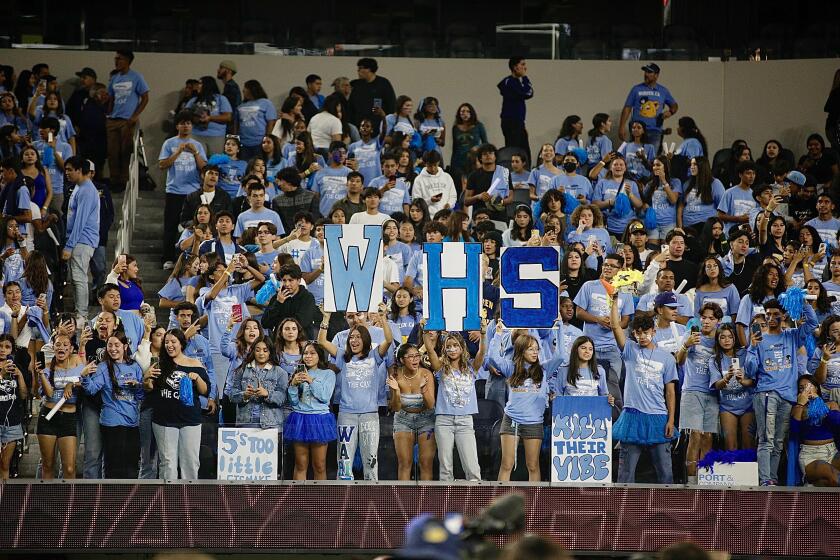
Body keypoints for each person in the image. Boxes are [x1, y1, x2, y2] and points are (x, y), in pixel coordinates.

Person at [745, 298, 819, 486]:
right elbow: (750, 371)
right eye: (768, 314)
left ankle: (773, 479)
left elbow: (812, 322)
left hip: (787, 397)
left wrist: (801, 302)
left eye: (775, 314)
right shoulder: (759, 340)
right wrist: (752, 347)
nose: (770, 318)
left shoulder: (792, 335)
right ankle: (764, 480)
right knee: (766, 439)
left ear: (783, 316)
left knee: (778, 442)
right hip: (766, 394)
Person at [318, 302, 393, 481]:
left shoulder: (375, 355)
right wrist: (326, 318)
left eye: (358, 337)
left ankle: (373, 498)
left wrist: (382, 318)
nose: (354, 340)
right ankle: (343, 502)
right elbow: (321, 341)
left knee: (371, 461)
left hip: (370, 415)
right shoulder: (343, 355)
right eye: (351, 337)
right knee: (344, 462)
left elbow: (389, 341)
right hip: (346, 415)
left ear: (365, 339)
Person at [608, 294, 678, 484]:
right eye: (638, 333)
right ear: (634, 334)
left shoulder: (667, 358)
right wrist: (614, 303)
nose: (642, 336)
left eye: (646, 332)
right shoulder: (630, 349)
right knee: (626, 473)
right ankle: (621, 510)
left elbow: (670, 392)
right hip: (632, 415)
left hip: (658, 416)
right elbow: (615, 326)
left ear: (653, 332)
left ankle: (669, 511)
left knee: (665, 473)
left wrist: (671, 419)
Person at [144, 329, 210, 480]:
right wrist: (146, 378)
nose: (169, 345)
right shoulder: (159, 364)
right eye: (166, 342)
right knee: (168, 463)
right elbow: (149, 389)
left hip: (190, 420)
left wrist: (198, 379)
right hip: (164, 420)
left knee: (191, 462)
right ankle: (169, 500)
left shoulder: (195, 363)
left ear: (181, 344)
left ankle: (190, 499)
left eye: (173, 342)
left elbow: (205, 390)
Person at [422, 326, 486, 482]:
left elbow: (482, 352)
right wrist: (424, 332)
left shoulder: (471, 368)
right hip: (444, 421)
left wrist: (483, 335)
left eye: (455, 345)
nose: (452, 349)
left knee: (472, 466)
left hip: (465, 421)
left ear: (462, 347)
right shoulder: (441, 368)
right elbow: (430, 350)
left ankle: (475, 501)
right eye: (448, 346)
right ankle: (446, 501)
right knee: (445, 467)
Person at [80, 332, 145, 478]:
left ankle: (129, 499)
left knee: (131, 465)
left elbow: (141, 396)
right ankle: (110, 499)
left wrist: (138, 386)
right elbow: (91, 390)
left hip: (132, 423)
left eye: (117, 345)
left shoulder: (134, 366)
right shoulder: (103, 367)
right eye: (110, 345)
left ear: (125, 346)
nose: (113, 348)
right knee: (113, 467)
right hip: (111, 423)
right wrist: (84, 375)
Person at [488, 327, 548, 482]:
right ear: (521, 351)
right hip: (511, 420)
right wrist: (498, 333)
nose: (535, 353)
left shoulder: (543, 369)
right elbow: (492, 357)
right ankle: (501, 504)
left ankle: (535, 504)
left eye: (536, 349)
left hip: (534, 423)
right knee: (507, 464)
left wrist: (560, 327)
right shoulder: (511, 367)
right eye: (531, 349)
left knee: (533, 465)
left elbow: (561, 355)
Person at [573, 253, 633, 409]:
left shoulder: (625, 292)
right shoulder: (589, 286)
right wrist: (599, 320)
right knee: (586, 386)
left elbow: (626, 320)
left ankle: (612, 422)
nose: (607, 268)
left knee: (612, 388)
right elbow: (578, 312)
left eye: (612, 266)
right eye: (606, 264)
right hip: (589, 348)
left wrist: (614, 324)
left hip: (613, 349)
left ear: (620, 270)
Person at [675, 302, 722, 483]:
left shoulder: (719, 339)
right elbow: (679, 361)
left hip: (712, 393)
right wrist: (686, 345)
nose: (706, 321)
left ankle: (705, 480)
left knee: (708, 436)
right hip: (692, 391)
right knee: (695, 435)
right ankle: (692, 481)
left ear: (718, 321)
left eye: (711, 318)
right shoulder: (691, 335)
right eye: (703, 317)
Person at [37, 333, 95, 479]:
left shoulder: (76, 362)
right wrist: (41, 374)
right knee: (48, 465)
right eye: (58, 344)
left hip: (69, 417)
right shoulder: (48, 367)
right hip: (48, 416)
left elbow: (85, 379)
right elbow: (49, 393)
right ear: (53, 348)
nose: (61, 347)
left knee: (69, 468)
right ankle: (47, 500)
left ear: (70, 349)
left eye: (65, 345)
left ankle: (68, 501)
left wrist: (72, 383)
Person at [159, 111, 207, 269]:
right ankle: (168, 258)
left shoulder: (197, 145)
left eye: (188, 123)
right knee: (170, 226)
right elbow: (162, 165)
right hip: (174, 190)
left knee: (194, 226)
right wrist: (178, 152)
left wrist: (195, 153)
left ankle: (191, 259)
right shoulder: (169, 143)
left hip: (193, 192)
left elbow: (204, 168)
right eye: (182, 123)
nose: (186, 126)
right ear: (177, 125)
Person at [285, 341, 336, 480]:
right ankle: (298, 499)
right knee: (300, 464)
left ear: (319, 356)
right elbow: (293, 402)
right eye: (306, 353)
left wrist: (310, 380)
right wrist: (293, 386)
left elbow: (325, 397)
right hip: (300, 418)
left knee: (319, 464)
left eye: (312, 353)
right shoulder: (297, 373)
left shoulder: (328, 374)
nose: (308, 356)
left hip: (320, 419)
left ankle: (321, 499)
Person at [387, 342, 436, 481]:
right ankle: (404, 500)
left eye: (417, 356)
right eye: (411, 357)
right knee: (405, 463)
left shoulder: (426, 373)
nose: (415, 360)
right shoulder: (395, 375)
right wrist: (396, 391)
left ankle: (426, 500)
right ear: (402, 360)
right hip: (403, 418)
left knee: (426, 463)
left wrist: (424, 389)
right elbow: (395, 407)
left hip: (426, 418)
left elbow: (431, 404)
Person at [62, 157, 100, 326]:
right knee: (76, 277)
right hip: (78, 239)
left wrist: (69, 245)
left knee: (79, 277)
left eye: (70, 169)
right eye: (66, 169)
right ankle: (80, 313)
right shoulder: (79, 187)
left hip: (82, 239)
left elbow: (80, 220)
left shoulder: (86, 190)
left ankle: (82, 315)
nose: (67, 173)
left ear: (79, 170)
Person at [107, 50, 150, 193]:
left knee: (125, 152)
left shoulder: (136, 77)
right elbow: (111, 97)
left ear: (127, 61)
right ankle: (114, 180)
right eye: (115, 58)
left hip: (127, 121)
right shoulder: (114, 78)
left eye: (119, 59)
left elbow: (145, 97)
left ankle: (123, 181)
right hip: (113, 119)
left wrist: (135, 116)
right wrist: (108, 114)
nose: (116, 61)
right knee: (112, 152)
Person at [709, 323, 754, 451]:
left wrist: (742, 381)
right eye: (723, 337)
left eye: (730, 337)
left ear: (735, 338)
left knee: (748, 444)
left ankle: (749, 470)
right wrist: (727, 378)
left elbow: (754, 380)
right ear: (718, 340)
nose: (727, 340)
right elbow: (716, 385)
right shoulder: (714, 359)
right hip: (727, 406)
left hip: (747, 404)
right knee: (730, 445)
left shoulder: (745, 353)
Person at [791, 375, 840, 486]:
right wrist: (800, 404)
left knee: (828, 483)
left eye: (808, 386)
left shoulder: (830, 404)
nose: (805, 390)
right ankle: (814, 480)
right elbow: (794, 431)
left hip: (832, 452)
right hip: (811, 455)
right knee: (835, 479)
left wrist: (819, 403)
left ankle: (813, 483)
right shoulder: (798, 408)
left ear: (816, 388)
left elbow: (837, 422)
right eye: (801, 388)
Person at [228, 339, 287, 429]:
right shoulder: (242, 370)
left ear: (270, 352)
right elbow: (232, 395)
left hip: (271, 425)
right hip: (246, 423)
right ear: (253, 351)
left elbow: (283, 397)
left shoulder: (280, 372)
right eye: (257, 350)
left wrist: (267, 394)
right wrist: (244, 395)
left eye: (265, 350)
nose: (261, 353)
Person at [618, 63, 678, 149]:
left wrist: (670, 112)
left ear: (656, 75)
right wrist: (621, 127)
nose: (646, 74)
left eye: (650, 72)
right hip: (637, 130)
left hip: (655, 131)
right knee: (635, 156)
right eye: (645, 72)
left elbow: (674, 105)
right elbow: (627, 107)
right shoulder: (636, 89)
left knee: (651, 159)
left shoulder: (663, 91)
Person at [261, 263, 321, 339]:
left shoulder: (307, 298)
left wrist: (280, 321)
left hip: (302, 343)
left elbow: (302, 322)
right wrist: (278, 303)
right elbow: (265, 323)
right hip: (280, 344)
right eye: (284, 280)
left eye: (290, 280)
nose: (287, 284)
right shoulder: (277, 298)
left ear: (298, 280)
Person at [0, 334, 27, 480]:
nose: (3, 350)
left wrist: (20, 376)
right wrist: (2, 375)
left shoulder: (17, 368)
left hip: (12, 422)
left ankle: (3, 500)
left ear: (12, 350)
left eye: (7, 347)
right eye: (0, 346)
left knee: (5, 464)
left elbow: (23, 395)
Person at [185, 75, 233, 157]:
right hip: (196, 135)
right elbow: (184, 115)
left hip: (216, 136)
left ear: (207, 85)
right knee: (197, 161)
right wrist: (194, 118)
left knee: (214, 163)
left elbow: (228, 117)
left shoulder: (221, 99)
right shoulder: (194, 100)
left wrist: (210, 118)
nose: (197, 86)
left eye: (200, 83)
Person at [497, 56, 533, 163]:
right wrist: (525, 78)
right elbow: (527, 93)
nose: (525, 68)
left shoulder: (516, 82)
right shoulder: (509, 82)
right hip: (511, 122)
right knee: (514, 150)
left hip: (518, 122)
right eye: (522, 64)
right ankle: (512, 172)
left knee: (524, 150)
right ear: (515, 67)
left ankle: (525, 172)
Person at [348, 58, 396, 132]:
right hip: (358, 125)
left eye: (360, 68)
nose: (358, 71)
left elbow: (391, 105)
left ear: (369, 69)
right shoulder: (355, 84)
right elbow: (350, 106)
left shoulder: (383, 84)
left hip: (377, 125)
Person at [236, 80, 277, 160]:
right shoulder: (241, 105)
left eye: (245, 88)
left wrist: (267, 138)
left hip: (260, 142)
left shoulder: (266, 103)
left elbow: (271, 122)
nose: (243, 90)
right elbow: (237, 123)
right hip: (244, 142)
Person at [271, 167, 320, 233]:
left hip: (308, 239)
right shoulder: (276, 201)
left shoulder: (312, 197)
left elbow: (315, 220)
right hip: (286, 240)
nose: (278, 184)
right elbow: (278, 225)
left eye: (281, 180)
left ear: (289, 182)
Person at [311, 141, 351, 217]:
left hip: (344, 217)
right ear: (330, 154)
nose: (341, 155)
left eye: (344, 153)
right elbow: (316, 198)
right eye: (338, 153)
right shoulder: (320, 173)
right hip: (324, 217)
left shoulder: (350, 173)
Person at [411, 151, 456, 216]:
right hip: (428, 217)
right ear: (425, 164)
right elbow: (416, 201)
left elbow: (453, 195)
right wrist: (430, 200)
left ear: (438, 162)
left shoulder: (447, 177)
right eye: (430, 166)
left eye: (435, 165)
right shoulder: (419, 180)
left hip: (446, 216)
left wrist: (449, 204)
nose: (433, 168)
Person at [217, 60, 241, 131]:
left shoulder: (231, 87)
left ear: (229, 71)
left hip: (230, 125)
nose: (218, 70)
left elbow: (230, 108)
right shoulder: (229, 86)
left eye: (221, 68)